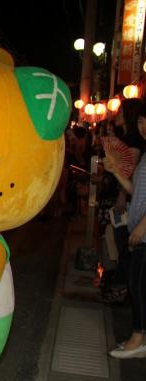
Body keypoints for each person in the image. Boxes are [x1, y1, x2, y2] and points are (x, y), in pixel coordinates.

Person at [107, 102, 146, 358]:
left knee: (138, 284)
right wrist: (115, 173)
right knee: (138, 283)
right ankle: (140, 339)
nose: (143, 128)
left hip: (144, 231)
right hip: (140, 227)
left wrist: (142, 227)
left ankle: (137, 338)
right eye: (141, 122)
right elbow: (136, 191)